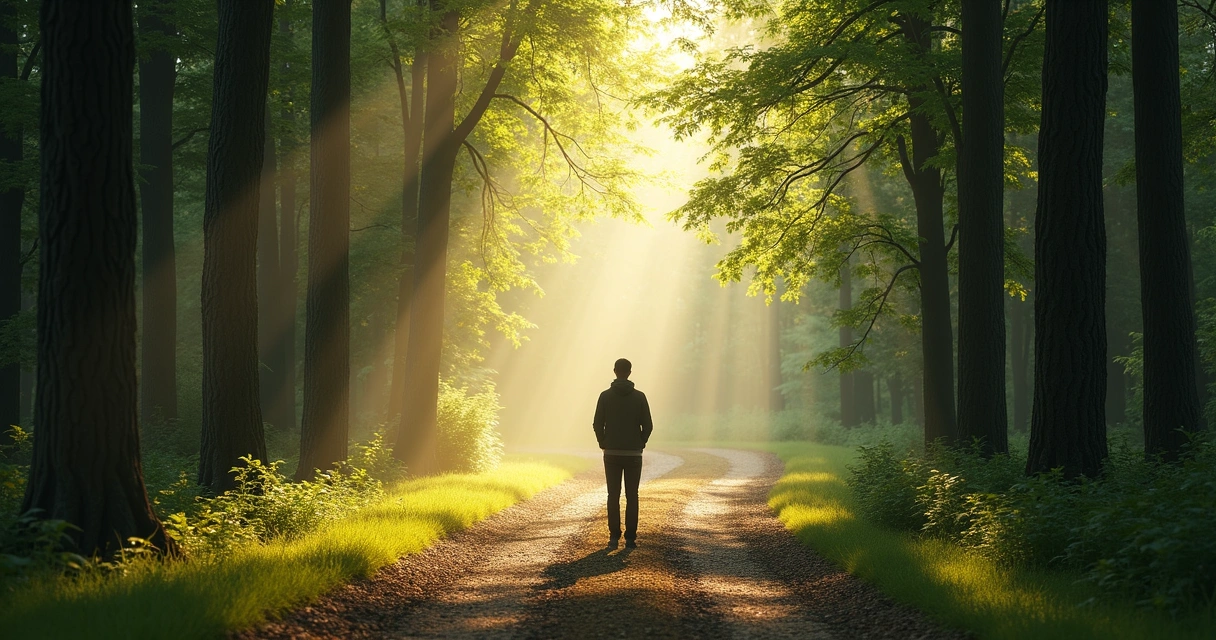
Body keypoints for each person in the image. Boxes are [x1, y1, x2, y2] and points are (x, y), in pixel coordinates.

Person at [592, 358, 653, 549]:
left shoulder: (604, 396)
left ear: (614, 371)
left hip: (611, 452)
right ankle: (630, 538)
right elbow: (648, 425)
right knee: (632, 494)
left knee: (613, 494)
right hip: (633, 454)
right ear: (630, 372)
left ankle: (613, 537)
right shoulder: (640, 397)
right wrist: (640, 442)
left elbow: (597, 424)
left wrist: (603, 442)